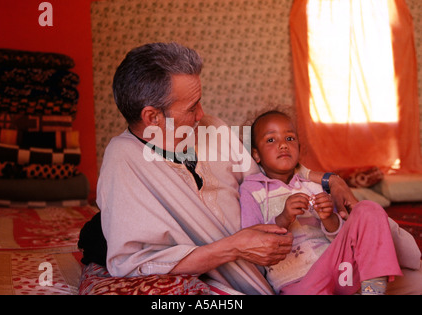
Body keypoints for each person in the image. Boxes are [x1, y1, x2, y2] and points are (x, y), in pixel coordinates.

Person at [95, 42, 421, 295]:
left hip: (309, 256)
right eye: (191, 107)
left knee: (409, 277)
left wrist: (330, 180)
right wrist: (234, 246)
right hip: (254, 280)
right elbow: (131, 262)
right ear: (153, 117)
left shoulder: (212, 129)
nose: (202, 114)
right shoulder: (124, 161)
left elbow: (270, 172)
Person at [240, 110, 403, 294]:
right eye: (271, 140)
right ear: (256, 155)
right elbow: (253, 241)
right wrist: (284, 218)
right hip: (298, 282)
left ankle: (373, 289)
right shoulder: (252, 190)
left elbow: (338, 235)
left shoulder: (312, 185)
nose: (283, 145)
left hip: (341, 272)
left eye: (290, 138)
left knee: (368, 208)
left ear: (299, 148)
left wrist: (328, 218)